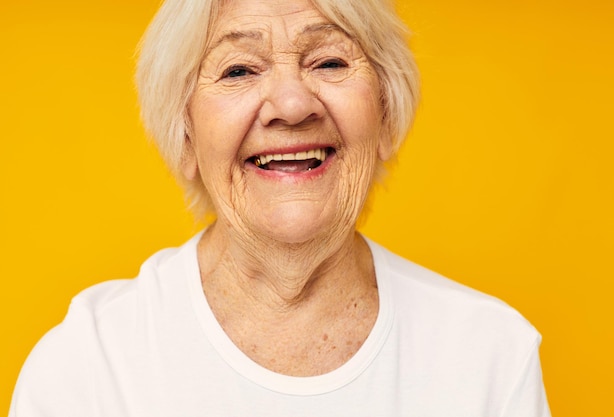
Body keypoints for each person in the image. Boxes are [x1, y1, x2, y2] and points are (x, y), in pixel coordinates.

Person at [10, 0, 551, 415]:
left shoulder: (490, 355)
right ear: (186, 134)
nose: (292, 105)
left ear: (386, 113)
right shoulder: (88, 367)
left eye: (330, 61)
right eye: (239, 70)